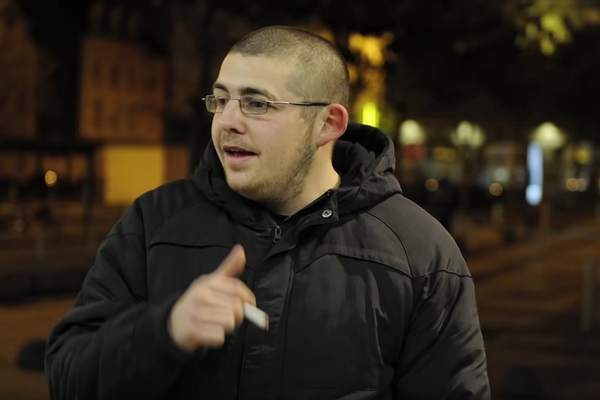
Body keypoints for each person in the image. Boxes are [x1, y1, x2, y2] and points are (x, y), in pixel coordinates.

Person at [45, 26, 490, 400]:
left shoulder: (420, 252)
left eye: (257, 103)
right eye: (221, 100)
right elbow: (67, 378)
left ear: (328, 124)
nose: (227, 121)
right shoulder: (154, 222)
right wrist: (165, 332)